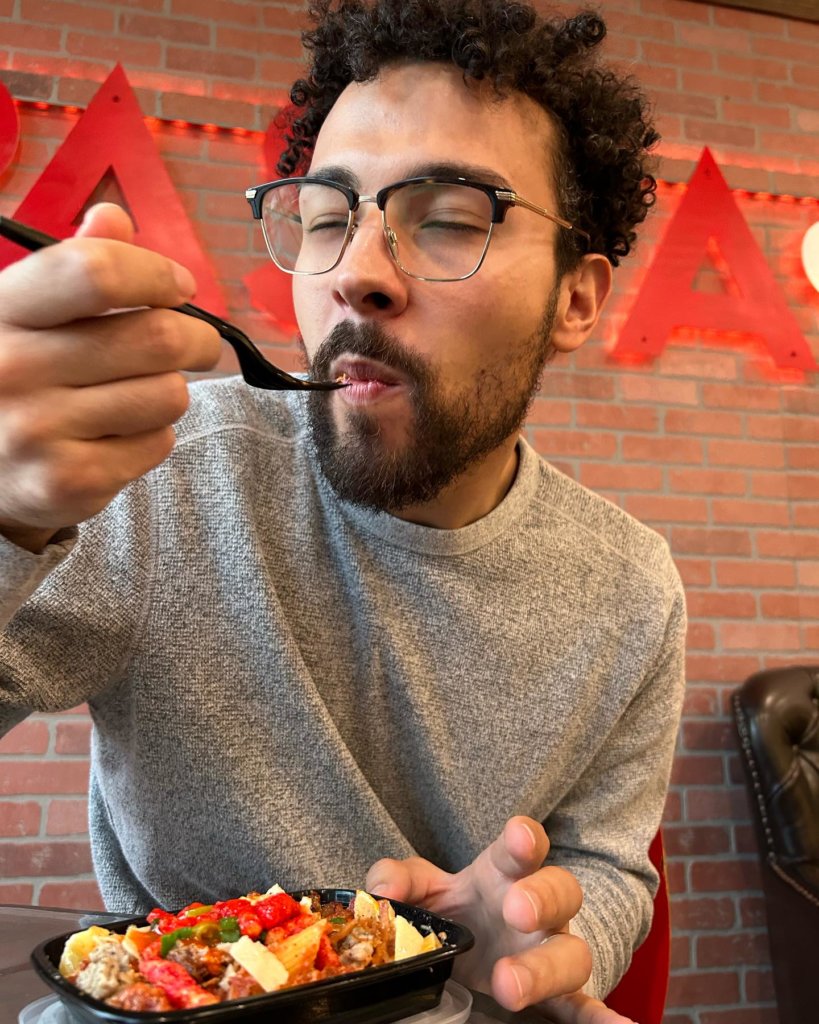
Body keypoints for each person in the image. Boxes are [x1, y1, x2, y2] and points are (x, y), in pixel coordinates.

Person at [0, 1, 686, 1021]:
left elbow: (611, 859)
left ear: (575, 299)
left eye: (450, 217)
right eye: (327, 218)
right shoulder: (164, 467)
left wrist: (551, 932)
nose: (356, 272)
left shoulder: (633, 590)